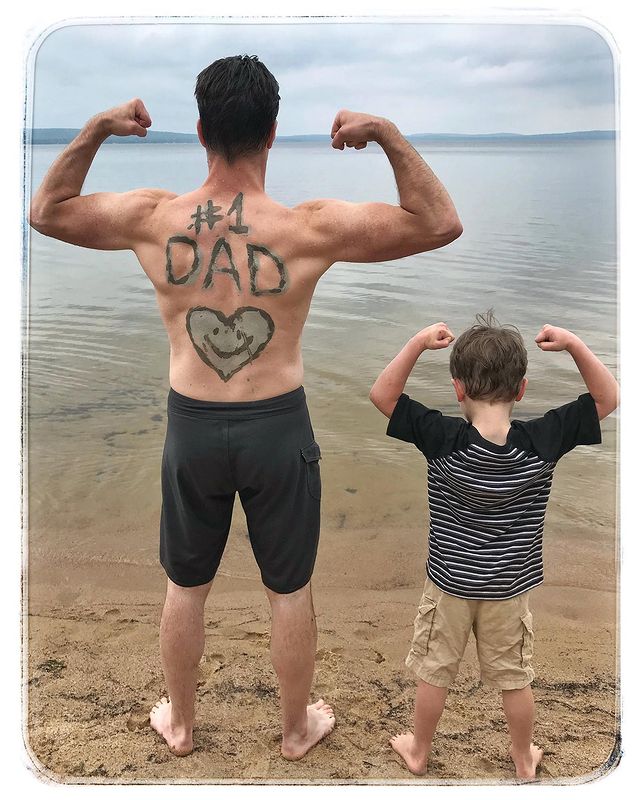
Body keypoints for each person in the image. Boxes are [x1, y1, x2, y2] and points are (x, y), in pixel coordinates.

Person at [29, 55, 462, 760]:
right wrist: (383, 134)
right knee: (288, 588)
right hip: (278, 427)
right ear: (273, 134)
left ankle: (182, 725)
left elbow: (46, 211)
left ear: (200, 131)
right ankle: (295, 729)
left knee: (186, 583)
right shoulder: (309, 227)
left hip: (191, 427)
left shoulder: (152, 218)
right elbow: (440, 222)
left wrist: (98, 129)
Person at [368, 313, 618, 779]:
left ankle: (419, 751)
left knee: (434, 671)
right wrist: (574, 344)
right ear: (521, 389)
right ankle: (523, 759)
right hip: (509, 588)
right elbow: (609, 396)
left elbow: (382, 395)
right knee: (514, 680)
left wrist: (418, 342)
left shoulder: (441, 439)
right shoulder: (543, 441)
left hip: (449, 586)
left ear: (458, 389)